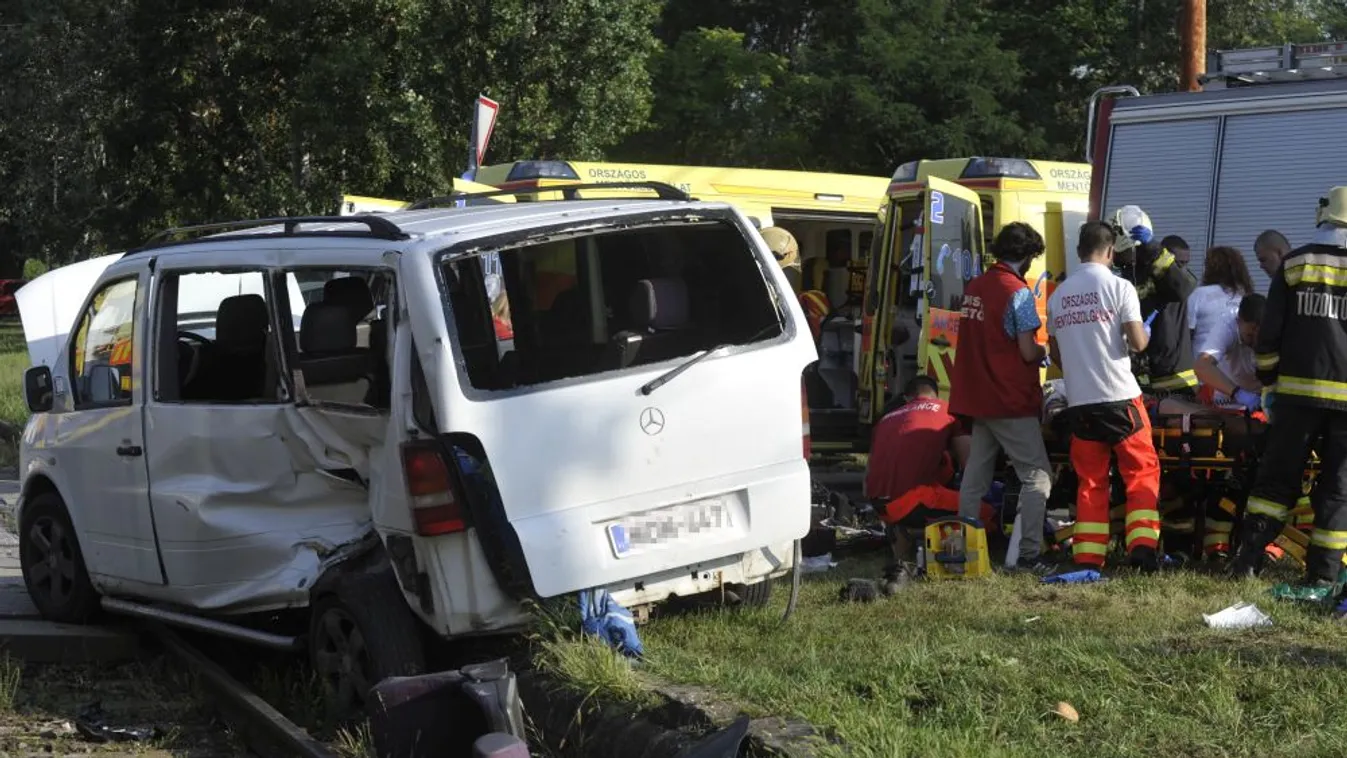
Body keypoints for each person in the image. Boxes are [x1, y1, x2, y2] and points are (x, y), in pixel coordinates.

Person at [1229, 187, 1347, 602]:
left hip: (1296, 397)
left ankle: (1248, 559)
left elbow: (1271, 330)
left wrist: (1267, 380)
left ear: (1323, 217)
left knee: (1276, 481)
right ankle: (1323, 577)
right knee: (1338, 488)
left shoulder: (1295, 263)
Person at [1047, 221, 1162, 572]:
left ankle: (1088, 557)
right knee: (1141, 472)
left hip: (1081, 402)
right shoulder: (1119, 286)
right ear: (1110, 251)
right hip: (1120, 397)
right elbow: (1139, 342)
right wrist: (1144, 332)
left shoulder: (1058, 296)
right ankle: (1141, 547)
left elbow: (1057, 355)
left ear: (1079, 250)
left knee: (1091, 480)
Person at [949, 222, 1055, 573]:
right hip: (1009, 399)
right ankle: (1027, 555)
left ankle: (962, 550)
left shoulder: (975, 286)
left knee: (974, 477)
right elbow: (1026, 351)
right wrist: (1046, 351)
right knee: (1037, 476)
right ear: (1026, 256)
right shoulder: (1019, 292)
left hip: (979, 398)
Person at [865, 375, 978, 563]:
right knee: (985, 511)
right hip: (910, 501)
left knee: (942, 464)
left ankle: (902, 535)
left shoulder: (886, 418)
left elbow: (870, 468)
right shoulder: (946, 410)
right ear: (936, 394)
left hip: (878, 503)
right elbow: (971, 464)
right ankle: (938, 543)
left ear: (908, 398)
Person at [1110, 205, 1198, 394]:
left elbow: (1184, 287)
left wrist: (1154, 249)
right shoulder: (1125, 274)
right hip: (1139, 376)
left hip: (1174, 379)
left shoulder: (1163, 270)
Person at [1193, 294, 1265, 409]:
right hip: (1230, 399)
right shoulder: (1226, 326)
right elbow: (1202, 366)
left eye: (1260, 335)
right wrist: (1238, 393)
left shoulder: (1275, 326)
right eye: (1250, 336)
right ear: (1238, 321)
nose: (1255, 341)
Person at [1187, 246, 1255, 366]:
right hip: (1237, 374)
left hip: (1204, 372)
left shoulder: (1199, 294)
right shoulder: (1247, 296)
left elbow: (1186, 336)